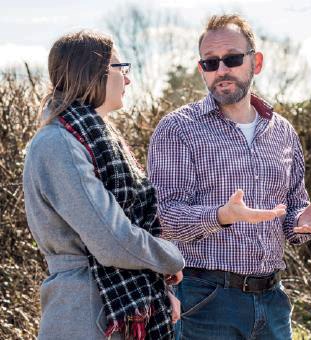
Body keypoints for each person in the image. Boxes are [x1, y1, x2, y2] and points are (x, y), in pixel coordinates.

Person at [148, 14, 311, 340]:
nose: (221, 70)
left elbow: (290, 220)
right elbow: (164, 217)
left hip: (273, 301)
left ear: (256, 62)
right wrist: (221, 216)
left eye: (232, 59)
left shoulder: (283, 132)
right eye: (210, 63)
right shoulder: (179, 129)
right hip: (205, 301)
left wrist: (303, 221)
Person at [23, 30, 185, 340]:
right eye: (120, 68)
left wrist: (156, 287)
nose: (128, 80)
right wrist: (169, 258)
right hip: (84, 314)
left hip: (108, 306)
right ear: (92, 72)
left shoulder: (97, 138)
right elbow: (112, 240)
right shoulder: (59, 143)